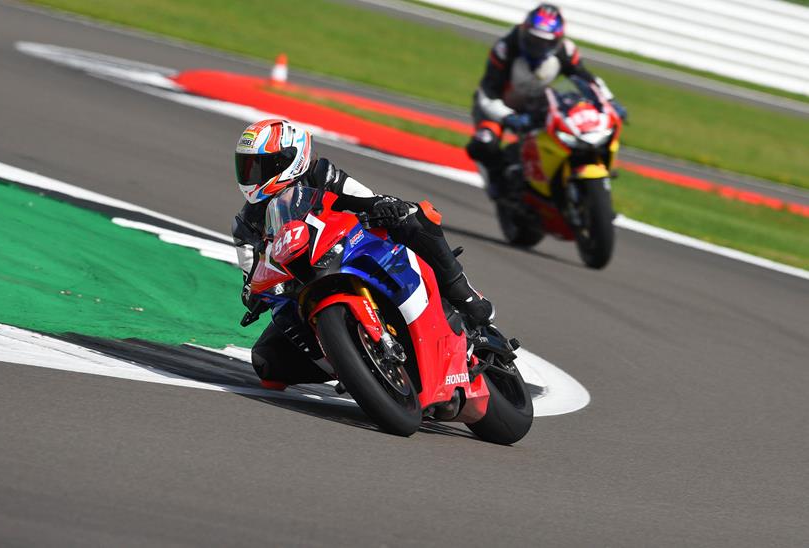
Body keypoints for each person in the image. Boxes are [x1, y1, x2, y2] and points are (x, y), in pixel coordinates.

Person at [231, 118, 495, 389]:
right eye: (247, 167)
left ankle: (466, 296)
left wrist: (383, 205)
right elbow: (250, 278)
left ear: (291, 159)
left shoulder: (321, 174)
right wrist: (255, 295)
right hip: (298, 286)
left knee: (414, 217)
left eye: (260, 166)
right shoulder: (245, 225)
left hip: (345, 251)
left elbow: (364, 198)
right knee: (267, 361)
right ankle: (352, 365)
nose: (252, 175)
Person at [466, 3, 625, 198]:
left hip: (537, 106)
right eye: (533, 40)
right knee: (484, 143)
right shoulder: (506, 48)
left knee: (566, 135)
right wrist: (508, 117)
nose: (538, 47)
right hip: (498, 106)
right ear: (524, 32)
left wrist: (610, 101)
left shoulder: (565, 51)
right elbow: (487, 92)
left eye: (544, 42)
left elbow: (587, 80)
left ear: (557, 40)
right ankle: (497, 183)